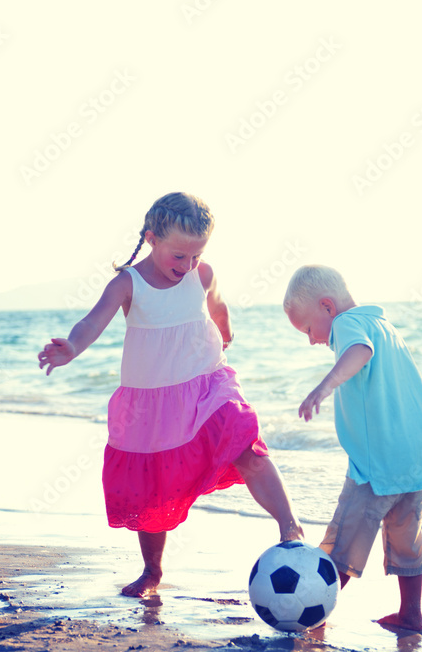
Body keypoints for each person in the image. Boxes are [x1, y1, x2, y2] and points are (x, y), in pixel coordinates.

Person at [38, 192, 303, 598]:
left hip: (208, 383)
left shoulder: (203, 274)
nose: (188, 266)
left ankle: (290, 526)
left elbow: (217, 307)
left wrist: (224, 332)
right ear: (151, 239)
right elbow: (92, 322)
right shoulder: (129, 282)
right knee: (152, 488)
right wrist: (72, 347)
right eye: (179, 256)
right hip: (152, 401)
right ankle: (152, 571)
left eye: (196, 256)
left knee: (245, 441)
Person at [284, 265, 422, 632]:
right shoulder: (384, 324)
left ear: (327, 306)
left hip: (377, 464)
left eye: (308, 329)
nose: (311, 340)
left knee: (343, 544)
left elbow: (359, 351)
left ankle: (311, 613)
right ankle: (412, 614)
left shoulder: (346, 326)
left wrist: (323, 388)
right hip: (415, 459)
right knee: (407, 542)